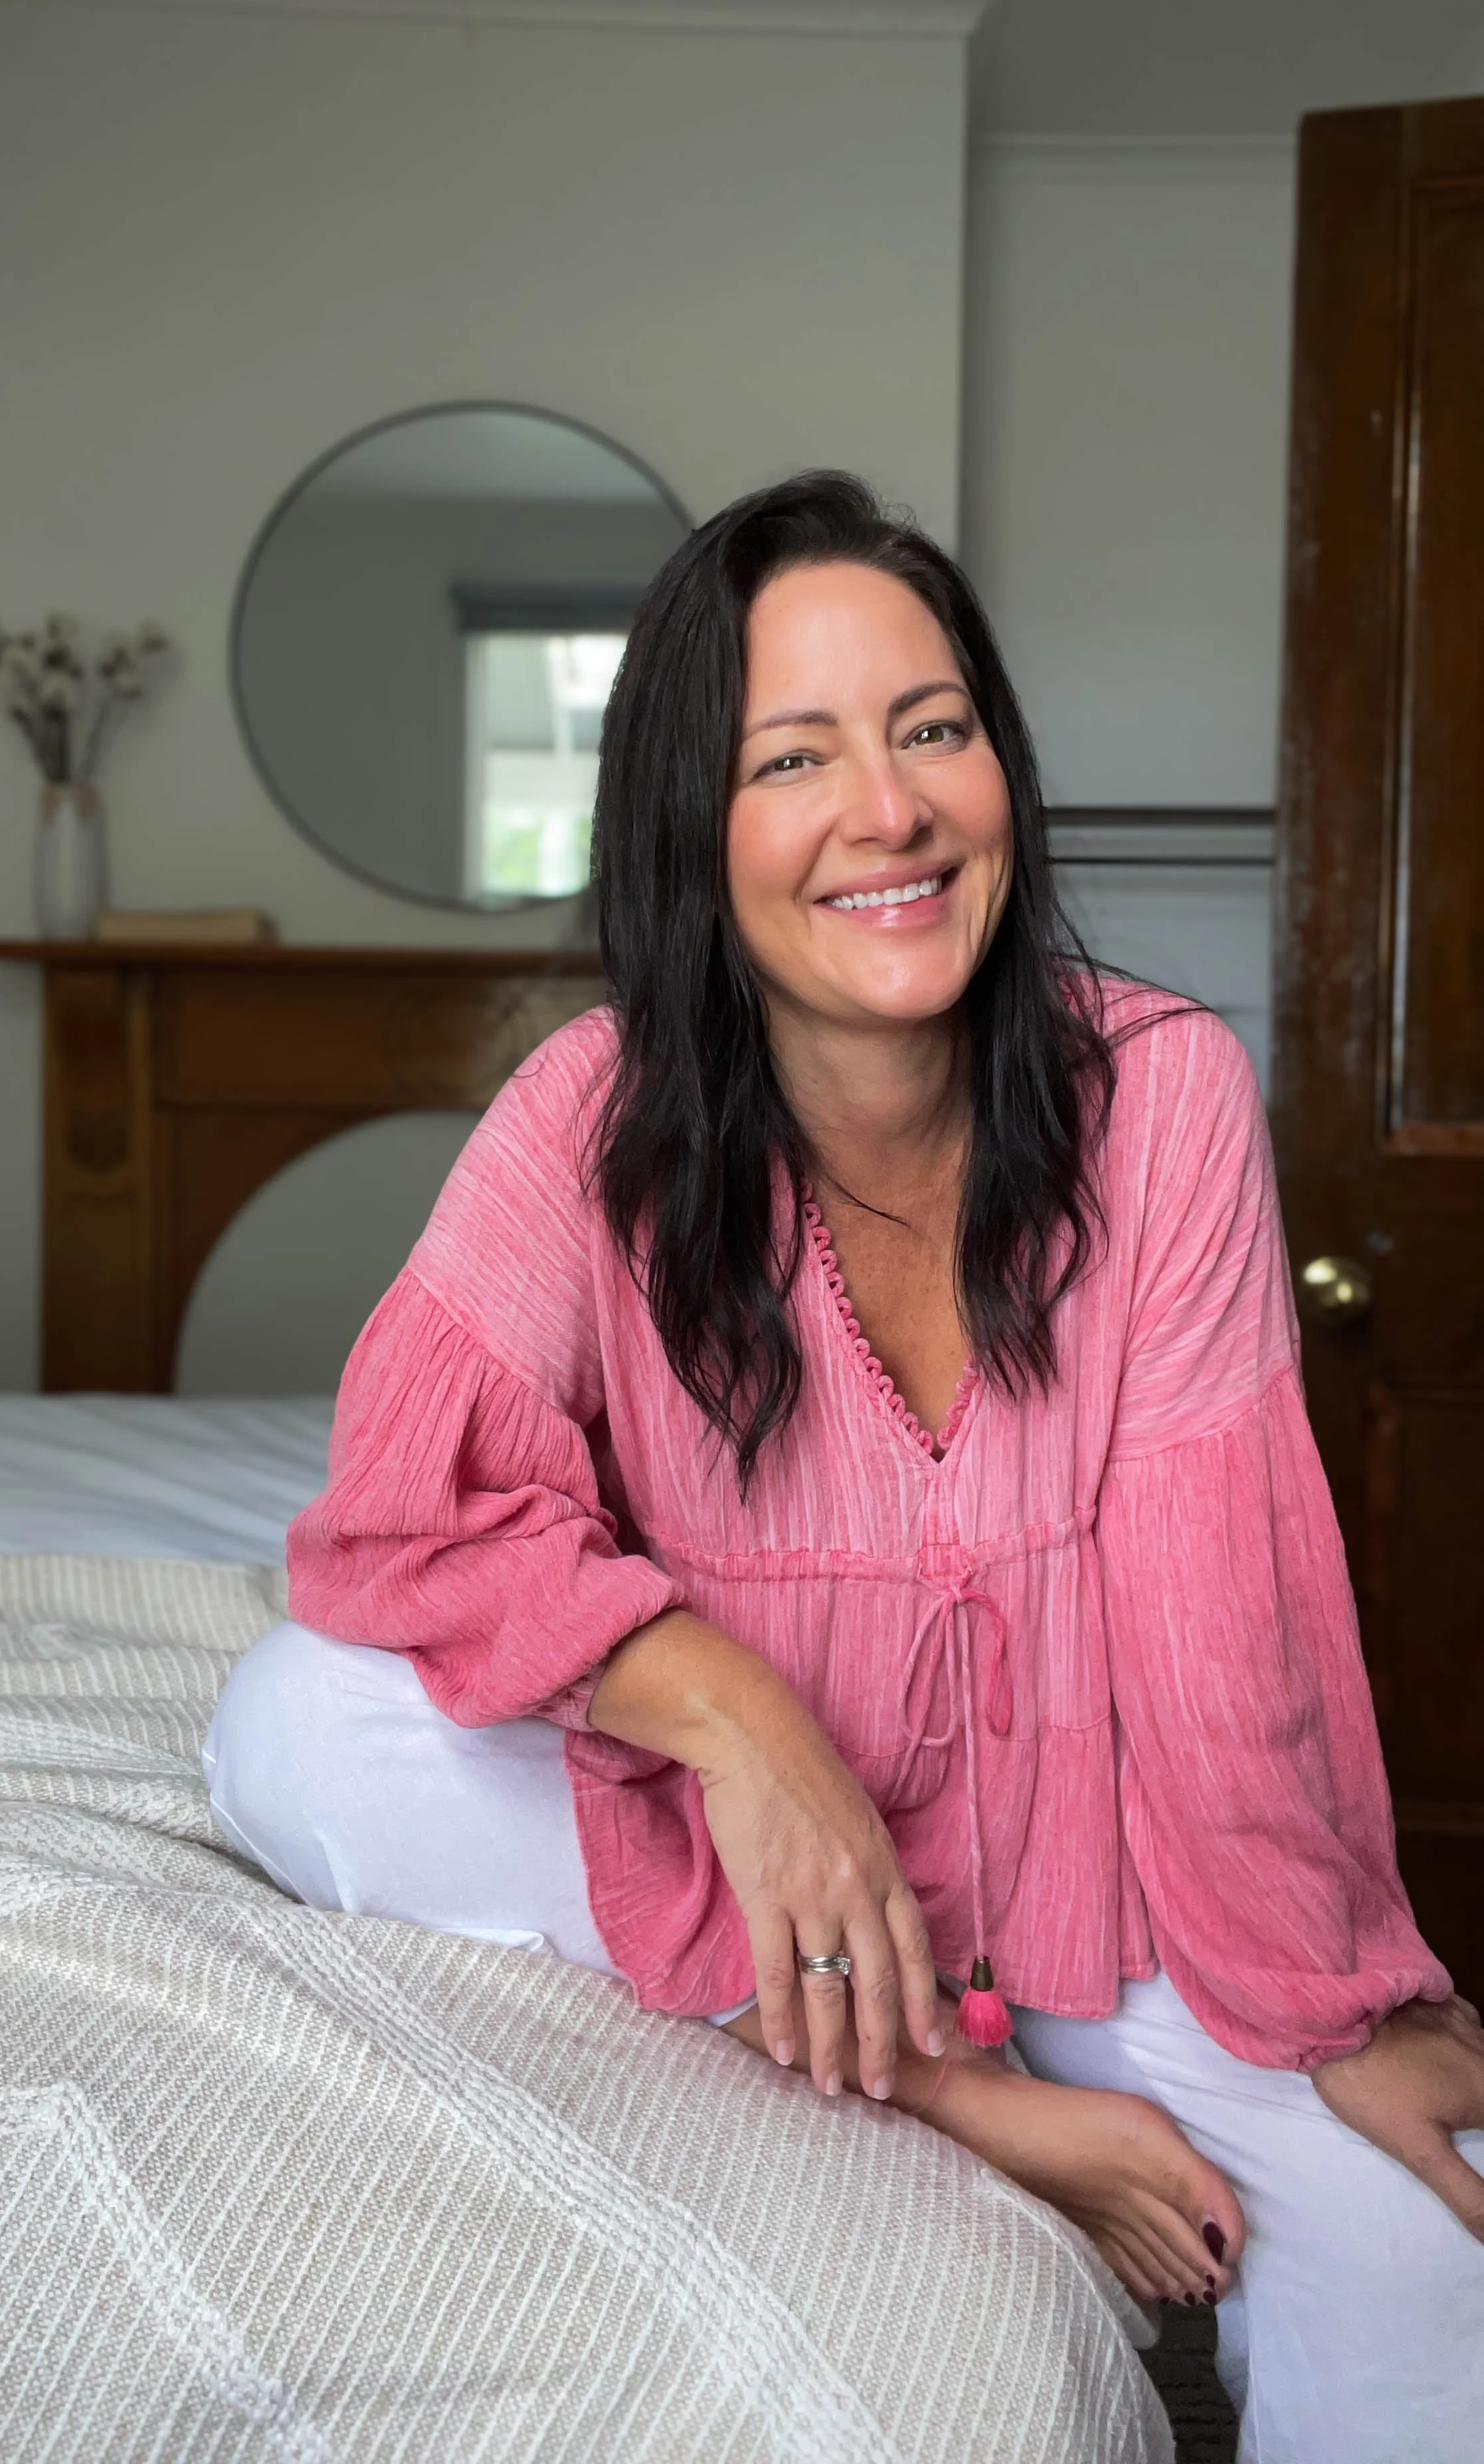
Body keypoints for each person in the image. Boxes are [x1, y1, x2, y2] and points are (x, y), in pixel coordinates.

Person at [207, 474, 1484, 2463]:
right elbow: (393, 1519)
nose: (885, 812)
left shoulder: (1162, 1097)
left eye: (932, 729)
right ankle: (943, 2095)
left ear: (999, 771)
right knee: (295, 1718)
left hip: (1107, 1888)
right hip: (766, 1898)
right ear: (690, 835)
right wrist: (738, 1729)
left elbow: (1221, 1621)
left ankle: (1008, 2060)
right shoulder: (587, 1120)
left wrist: (1340, 2006)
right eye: (788, 757)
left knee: (1433, 2254)